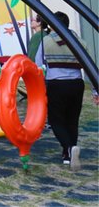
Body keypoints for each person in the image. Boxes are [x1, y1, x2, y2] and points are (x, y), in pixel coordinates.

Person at [34, 11, 90, 170]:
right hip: (77, 84)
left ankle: (69, 147)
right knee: (72, 119)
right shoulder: (79, 41)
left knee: (55, 120)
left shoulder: (46, 41)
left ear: (53, 25)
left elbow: (38, 64)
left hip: (56, 84)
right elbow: (87, 64)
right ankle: (68, 154)